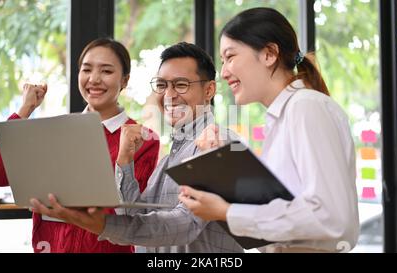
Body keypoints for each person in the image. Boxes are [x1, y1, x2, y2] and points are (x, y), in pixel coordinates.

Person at [30, 42, 244, 253]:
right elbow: (138, 214)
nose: (168, 95)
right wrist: (125, 161)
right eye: (161, 85)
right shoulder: (170, 159)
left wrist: (103, 225)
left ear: (209, 90)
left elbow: (185, 224)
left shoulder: (219, 143)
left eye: (181, 85)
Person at [178, 7, 359, 253]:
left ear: (269, 54)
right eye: (222, 61)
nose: (224, 72)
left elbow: (330, 216)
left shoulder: (306, 107)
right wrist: (225, 169)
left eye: (230, 57)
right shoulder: (282, 116)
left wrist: (228, 212)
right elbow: (284, 208)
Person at [0, 38, 160, 253]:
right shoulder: (55, 130)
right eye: (86, 70)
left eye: (106, 71)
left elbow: (132, 214)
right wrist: (24, 111)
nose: (94, 79)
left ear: (124, 80)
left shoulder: (143, 139)